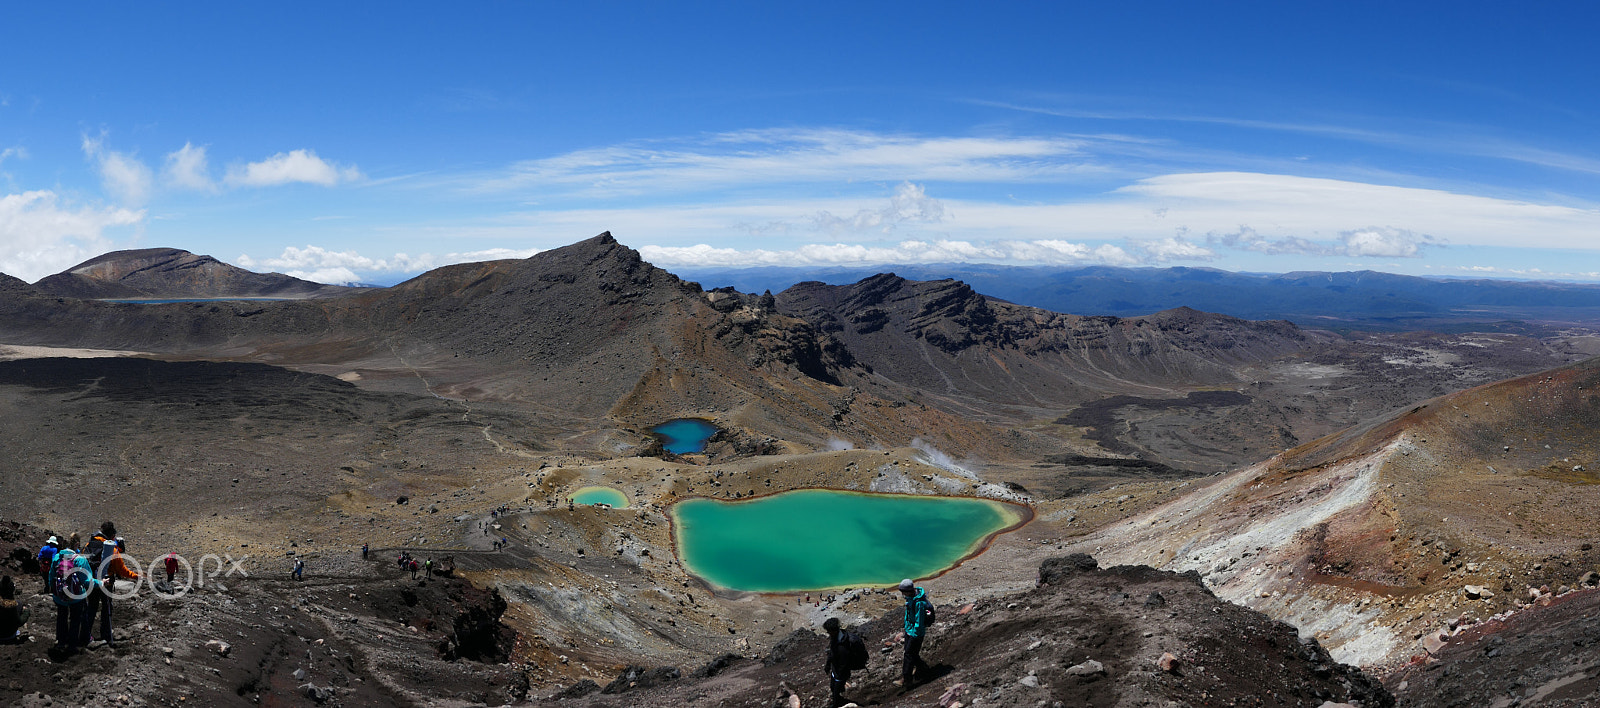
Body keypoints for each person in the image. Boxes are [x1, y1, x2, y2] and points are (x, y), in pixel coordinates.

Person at [81, 522, 139, 650]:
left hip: (91, 581)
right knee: (107, 609)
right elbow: (122, 570)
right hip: (106, 583)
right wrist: (136, 576)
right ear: (112, 535)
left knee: (91, 607)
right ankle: (106, 636)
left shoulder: (88, 545)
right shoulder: (112, 549)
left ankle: (85, 635)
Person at [50, 535, 89, 655]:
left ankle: (61, 642)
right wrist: (101, 583)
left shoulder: (57, 557)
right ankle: (72, 645)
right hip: (75, 597)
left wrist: (54, 592)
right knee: (75, 619)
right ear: (76, 545)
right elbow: (87, 580)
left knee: (61, 617)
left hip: (60, 596)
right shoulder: (80, 560)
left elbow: (51, 577)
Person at [898, 578, 933, 691]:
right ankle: (923, 668)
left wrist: (914, 634)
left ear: (908, 591)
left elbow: (919, 621)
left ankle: (906, 679)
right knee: (912, 653)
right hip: (909, 630)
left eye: (903, 592)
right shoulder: (911, 597)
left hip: (916, 633)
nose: (902, 594)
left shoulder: (919, 603)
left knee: (908, 654)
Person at [822, 617, 855, 708]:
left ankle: (836, 704)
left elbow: (844, 663)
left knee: (835, 690)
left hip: (841, 672)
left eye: (829, 631)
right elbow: (832, 653)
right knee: (833, 687)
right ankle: (838, 698)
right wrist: (828, 665)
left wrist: (839, 675)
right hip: (836, 669)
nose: (828, 633)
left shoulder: (842, 646)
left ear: (833, 630)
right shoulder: (836, 638)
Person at [0, 576, 31, 643]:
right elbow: (19, 622)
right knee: (19, 605)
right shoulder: (13, 606)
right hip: (8, 636)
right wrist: (26, 612)